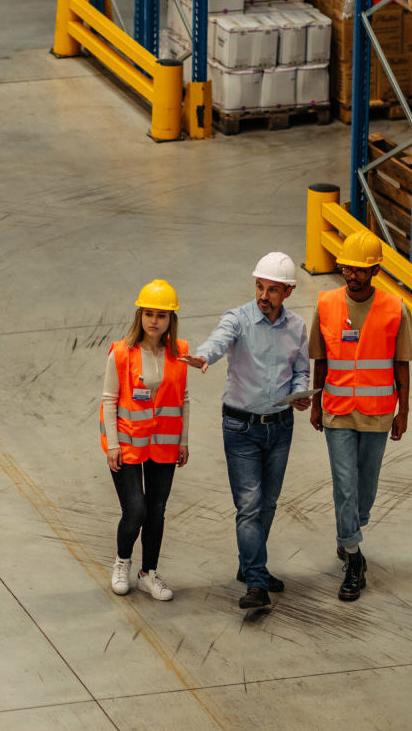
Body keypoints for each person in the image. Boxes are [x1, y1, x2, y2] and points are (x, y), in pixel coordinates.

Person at [185, 252, 310, 611]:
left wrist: (300, 395)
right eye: (259, 286)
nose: (263, 295)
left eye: (272, 289)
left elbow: (300, 370)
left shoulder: (297, 328)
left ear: (287, 292)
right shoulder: (238, 319)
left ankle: (249, 563)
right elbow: (218, 341)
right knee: (250, 505)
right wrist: (205, 356)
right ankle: (256, 581)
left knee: (267, 504)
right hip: (240, 427)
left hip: (280, 427)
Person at [309, 229, 412, 602]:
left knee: (365, 488)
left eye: (359, 270)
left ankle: (350, 533)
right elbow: (321, 358)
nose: (351, 275)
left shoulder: (394, 308)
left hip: (377, 412)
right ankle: (354, 559)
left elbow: (401, 364)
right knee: (344, 483)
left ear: (374, 272)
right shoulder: (325, 304)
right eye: (347, 268)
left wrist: (404, 411)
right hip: (337, 411)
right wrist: (315, 402)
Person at [100, 279, 190, 603]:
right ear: (140, 316)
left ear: (171, 320)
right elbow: (109, 399)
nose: (154, 320)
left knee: (157, 510)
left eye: (162, 315)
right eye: (149, 313)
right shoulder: (122, 353)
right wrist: (112, 445)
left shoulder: (180, 354)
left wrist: (183, 441)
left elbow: (184, 399)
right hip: (127, 444)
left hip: (164, 445)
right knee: (135, 510)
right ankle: (122, 562)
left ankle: (148, 573)